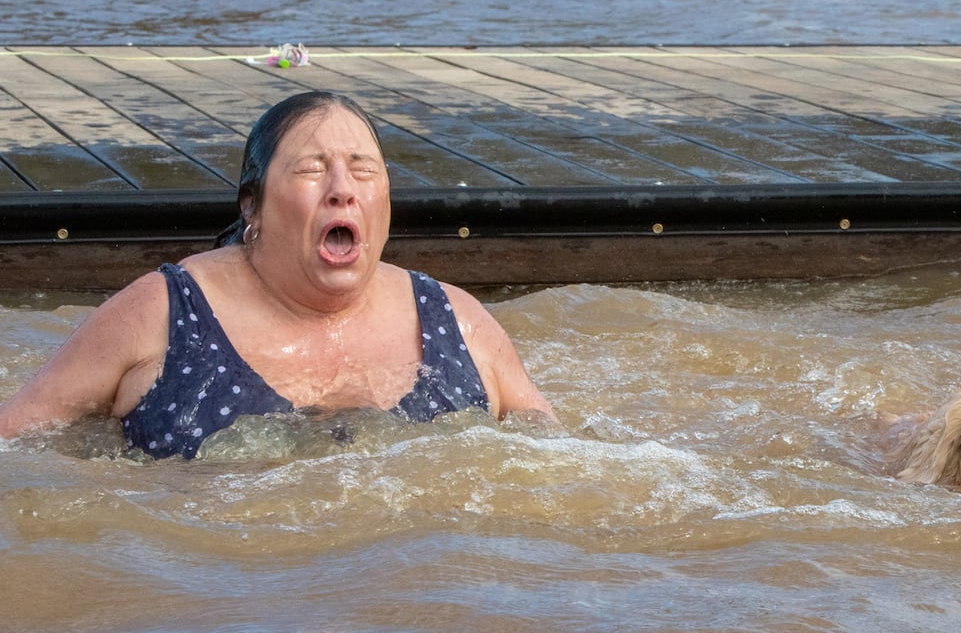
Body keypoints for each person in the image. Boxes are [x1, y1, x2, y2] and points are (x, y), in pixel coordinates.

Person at [0, 90, 556, 457]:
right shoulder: (160, 313)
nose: (343, 188)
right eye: (312, 170)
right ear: (253, 207)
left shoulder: (458, 320)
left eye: (363, 170)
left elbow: (563, 461)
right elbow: (16, 444)